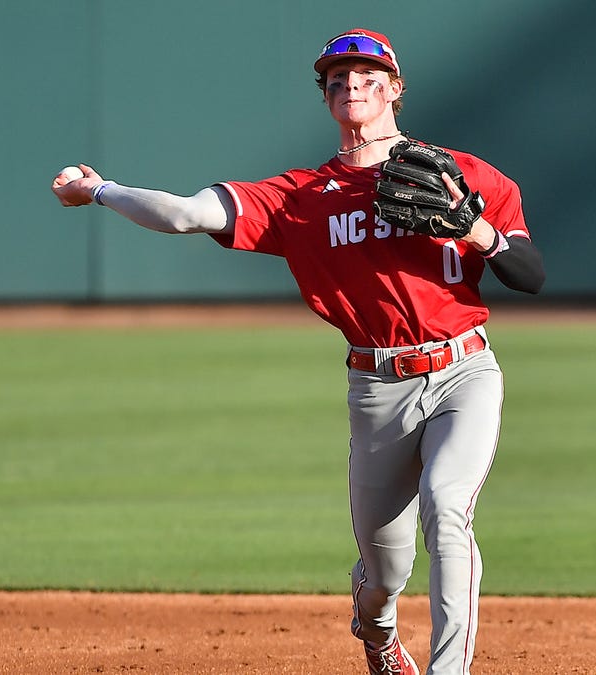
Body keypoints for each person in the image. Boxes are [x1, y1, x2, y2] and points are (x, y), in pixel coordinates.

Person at [52, 27, 544, 675]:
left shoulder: (463, 176)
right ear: (328, 99)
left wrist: (476, 229)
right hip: (377, 389)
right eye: (338, 79)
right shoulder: (300, 198)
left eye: (369, 75)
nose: (352, 85)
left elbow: (529, 275)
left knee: (447, 510)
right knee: (383, 569)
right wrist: (101, 190)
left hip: (464, 371)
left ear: (395, 89)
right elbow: (183, 215)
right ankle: (377, 633)